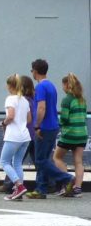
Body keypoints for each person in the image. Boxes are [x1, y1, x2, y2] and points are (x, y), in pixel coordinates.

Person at [25, 59, 75, 199]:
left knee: (40, 160)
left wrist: (37, 125)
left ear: (35, 71)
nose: (32, 73)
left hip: (44, 127)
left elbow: (41, 107)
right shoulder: (51, 85)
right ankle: (41, 189)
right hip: (53, 125)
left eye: (32, 70)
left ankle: (66, 178)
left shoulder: (40, 87)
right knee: (45, 158)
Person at [0, 74, 32, 200]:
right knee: (17, 163)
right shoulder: (24, 100)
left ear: (10, 85)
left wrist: (3, 123)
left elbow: (11, 116)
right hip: (25, 136)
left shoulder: (10, 99)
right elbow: (29, 119)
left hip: (13, 136)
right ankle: (18, 191)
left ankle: (18, 186)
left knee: (4, 162)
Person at [54, 73, 86, 197]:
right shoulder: (82, 99)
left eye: (63, 85)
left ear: (67, 85)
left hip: (69, 134)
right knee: (78, 161)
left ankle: (67, 182)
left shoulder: (67, 99)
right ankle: (77, 188)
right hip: (82, 133)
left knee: (57, 157)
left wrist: (58, 123)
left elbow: (64, 119)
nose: (62, 87)